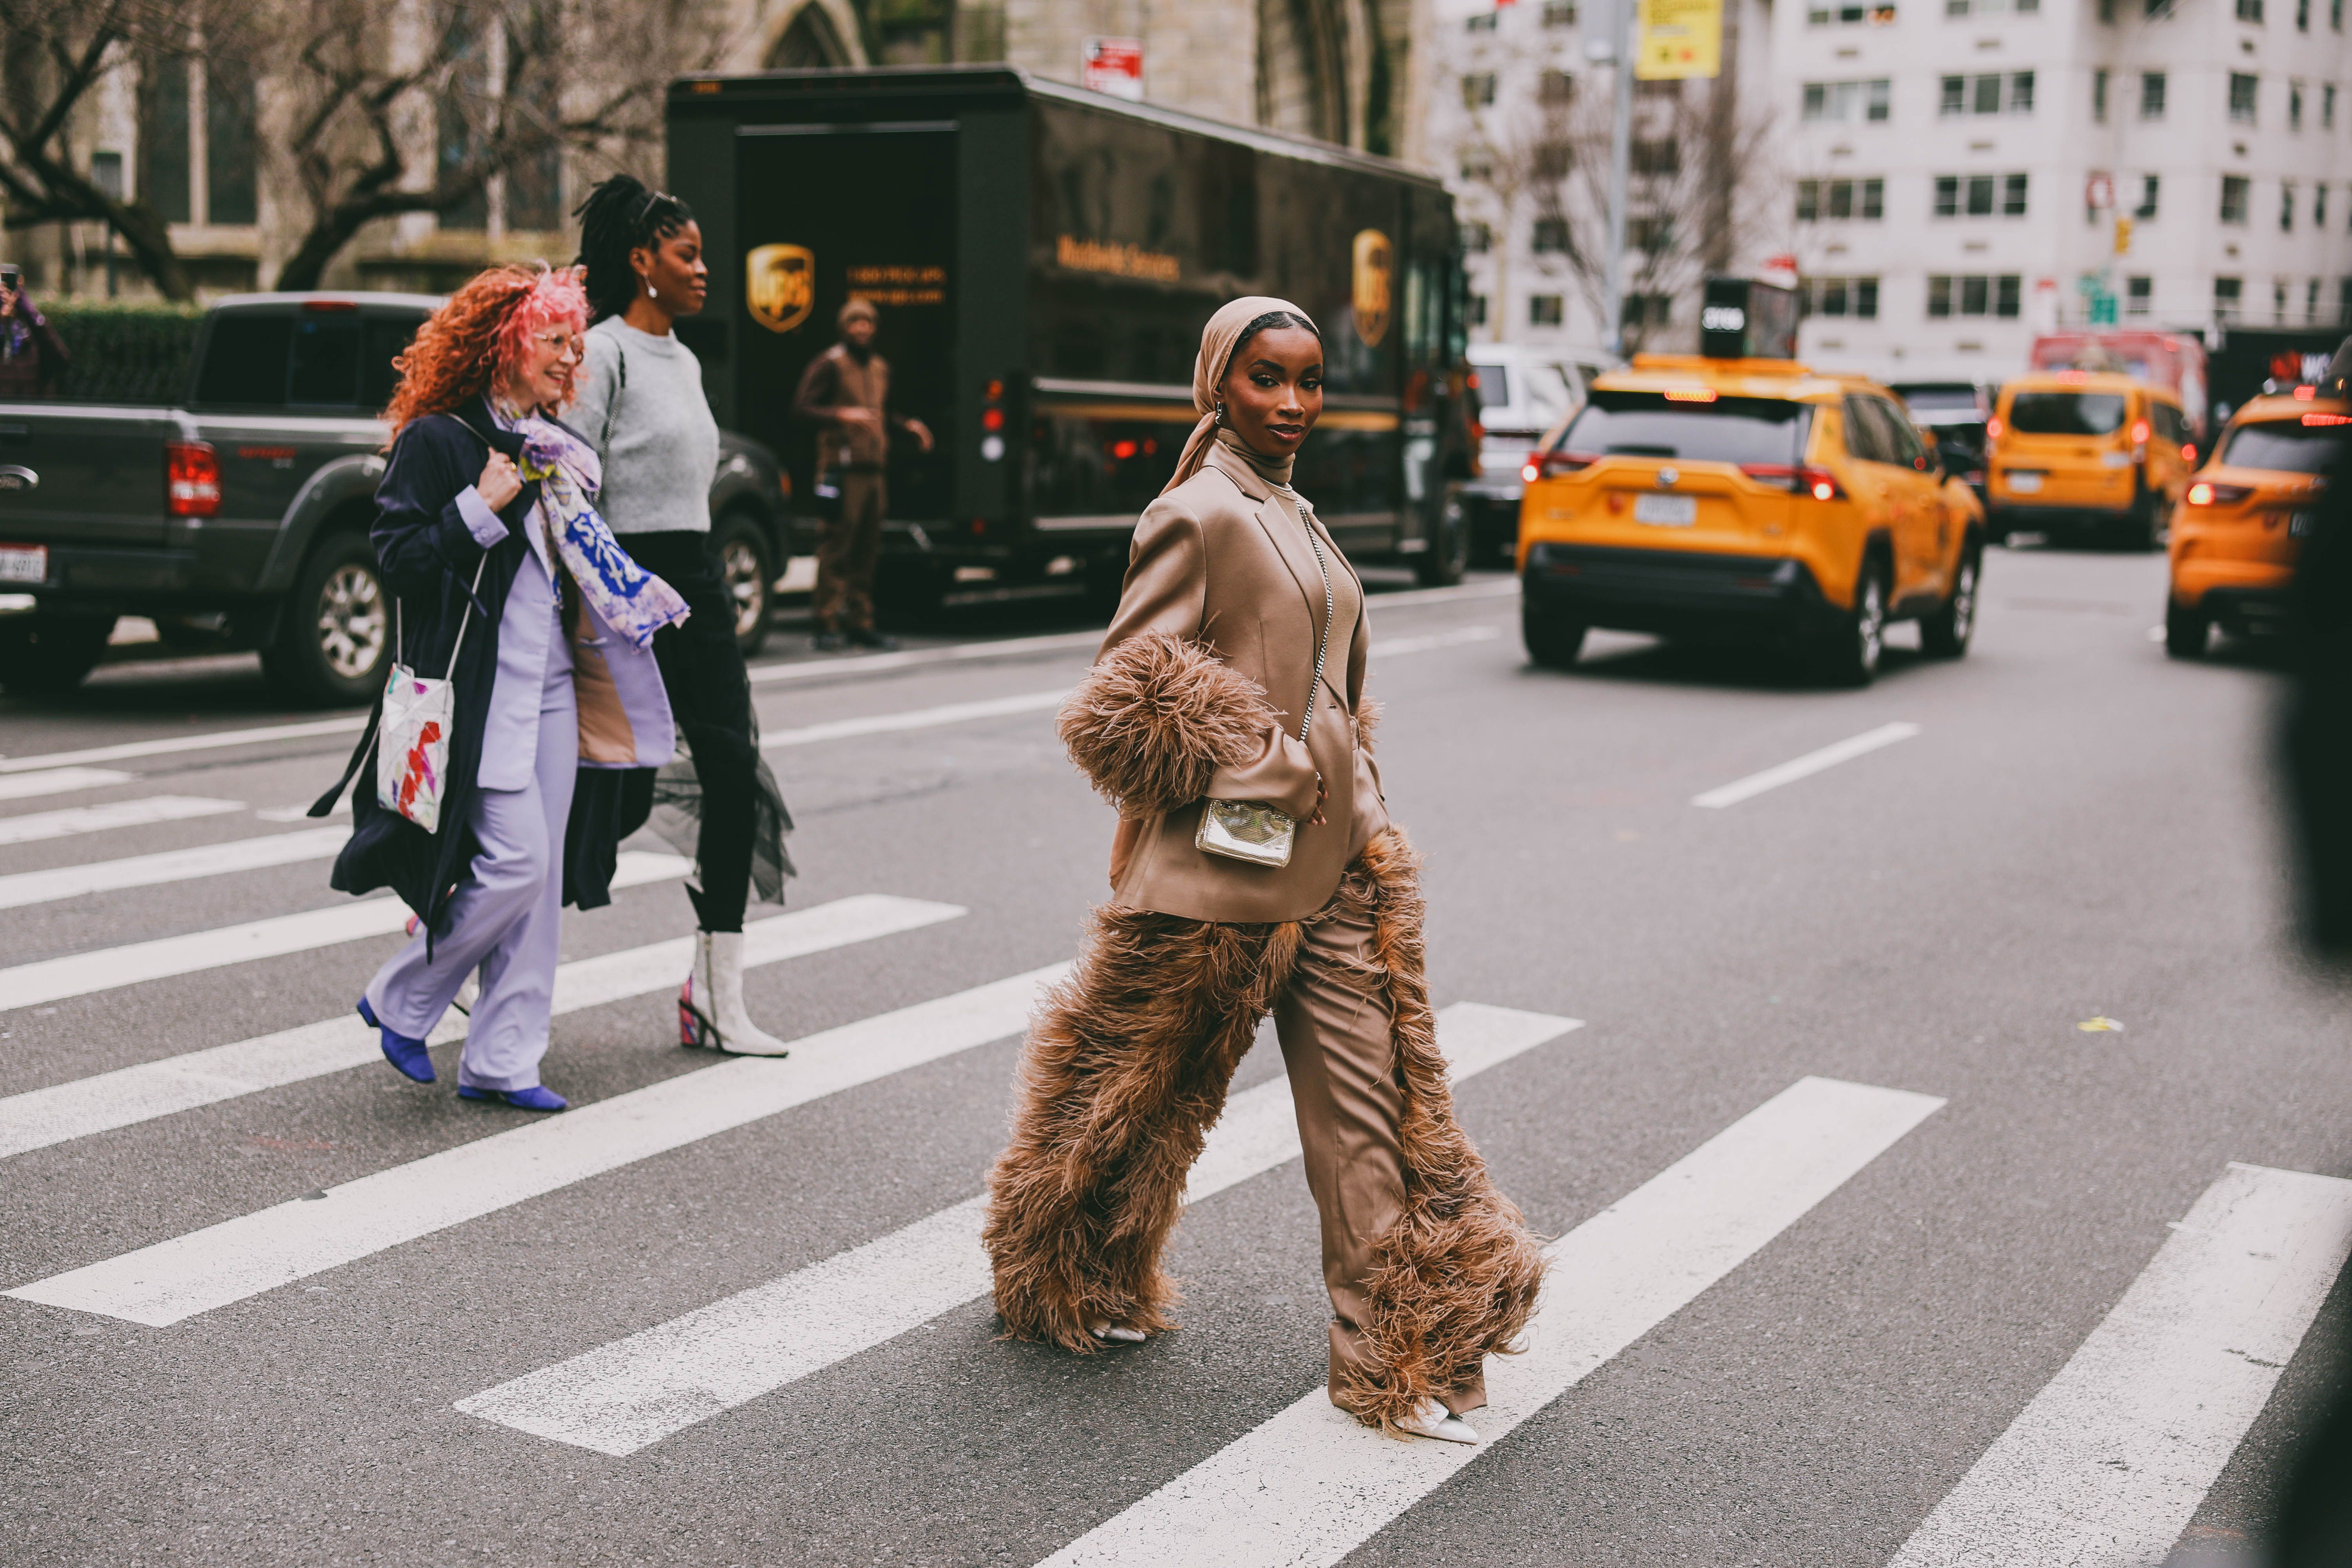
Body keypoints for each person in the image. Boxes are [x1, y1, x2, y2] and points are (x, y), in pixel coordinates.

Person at [981, 297, 1544, 1446]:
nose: (1291, 404)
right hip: (1218, 871)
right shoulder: (1198, 513)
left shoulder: (1290, 508)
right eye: (1266, 380)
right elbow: (1125, 689)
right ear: (1217, 386)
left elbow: (1327, 683)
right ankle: (1063, 1271)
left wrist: (1359, 800)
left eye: (1308, 381)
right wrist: (1270, 763)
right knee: (1134, 1086)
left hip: (1337, 870)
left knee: (1372, 1105)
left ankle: (1393, 1354)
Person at [310, 264, 686, 1110]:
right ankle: (403, 998)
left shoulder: (553, 446)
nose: (569, 357)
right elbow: (398, 561)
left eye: (573, 342)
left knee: (539, 880)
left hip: (553, 687)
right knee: (514, 862)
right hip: (475, 695)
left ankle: (505, 1057)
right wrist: (479, 507)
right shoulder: (440, 440)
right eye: (553, 340)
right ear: (504, 343)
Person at [569, 174, 797, 1058]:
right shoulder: (604, 352)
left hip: (695, 582)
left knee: (734, 770)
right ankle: (477, 936)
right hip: (624, 584)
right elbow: (575, 491)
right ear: (641, 261)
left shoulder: (687, 359)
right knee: (614, 796)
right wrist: (609, 594)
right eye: (687, 256)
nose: (705, 271)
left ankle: (716, 993)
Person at [790, 299, 932, 652]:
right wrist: (842, 415)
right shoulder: (830, 363)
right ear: (844, 327)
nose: (862, 328)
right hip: (841, 468)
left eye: (867, 322)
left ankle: (861, 622)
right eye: (855, 322)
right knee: (836, 545)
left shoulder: (881, 368)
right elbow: (802, 407)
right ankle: (825, 620)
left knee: (868, 550)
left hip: (874, 472)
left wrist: (907, 426)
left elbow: (884, 413)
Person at [0, 266, 70, 399]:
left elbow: (61, 361)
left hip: (31, 413)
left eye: (11, 285)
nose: (7, 296)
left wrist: (30, 313)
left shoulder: (30, 336)